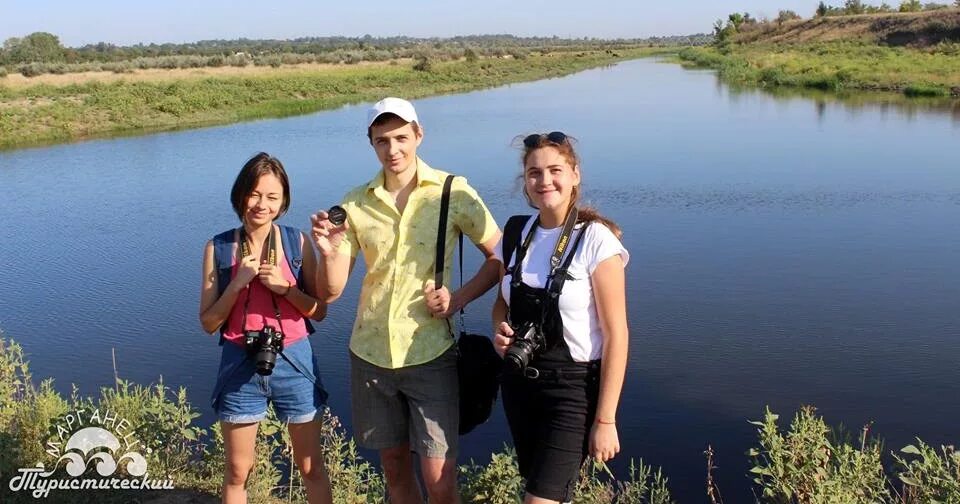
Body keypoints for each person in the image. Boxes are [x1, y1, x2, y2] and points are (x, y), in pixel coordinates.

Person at [310, 97, 501, 504]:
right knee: (395, 472)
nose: (393, 149)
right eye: (382, 140)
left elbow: (500, 259)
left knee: (440, 479)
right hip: (370, 354)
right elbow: (331, 292)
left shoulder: (452, 192)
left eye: (401, 137)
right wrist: (329, 254)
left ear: (419, 135)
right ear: (371, 144)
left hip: (431, 354)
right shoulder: (355, 203)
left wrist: (457, 299)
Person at [492, 132, 629, 504]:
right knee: (546, 492)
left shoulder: (596, 240)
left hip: (571, 390)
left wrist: (605, 420)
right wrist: (499, 331)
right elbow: (502, 301)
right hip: (520, 386)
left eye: (555, 170)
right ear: (525, 180)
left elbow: (617, 335)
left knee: (540, 500)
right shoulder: (517, 232)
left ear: (575, 174)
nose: (545, 181)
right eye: (534, 172)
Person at [199, 153, 333, 504]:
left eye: (272, 197)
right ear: (240, 194)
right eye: (254, 194)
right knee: (238, 471)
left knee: (310, 467)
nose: (262, 204)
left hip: (295, 362)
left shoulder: (298, 243)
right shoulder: (219, 247)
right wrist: (237, 284)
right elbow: (208, 323)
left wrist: (285, 290)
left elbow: (319, 312)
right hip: (239, 361)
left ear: (283, 201)